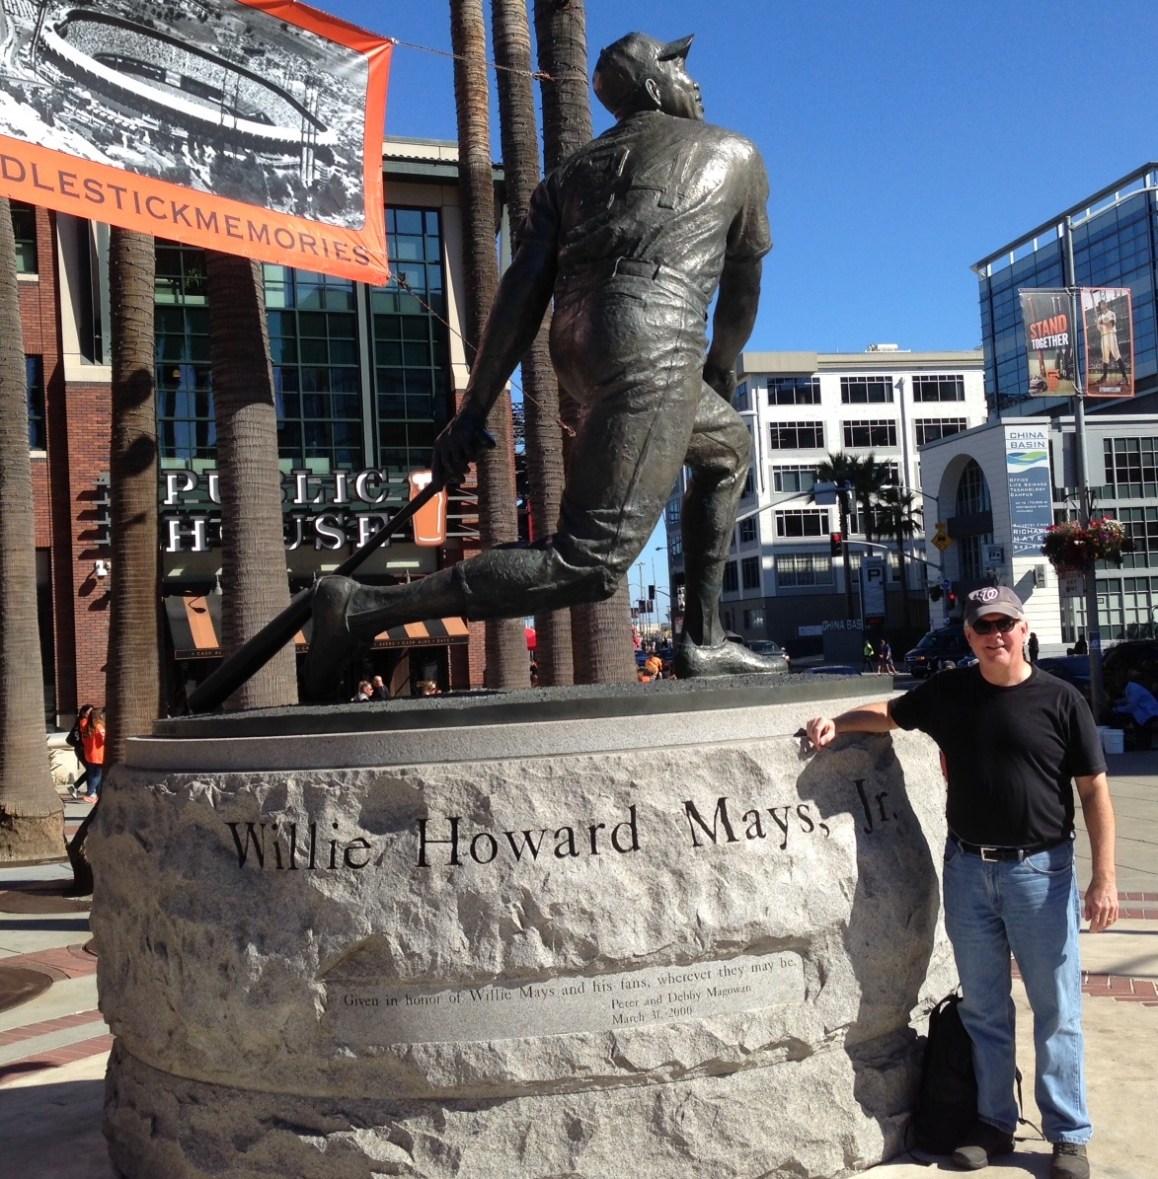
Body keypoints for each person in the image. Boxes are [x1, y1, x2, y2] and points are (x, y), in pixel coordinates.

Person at [303, 31, 775, 698]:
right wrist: (721, 368)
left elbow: (521, 295)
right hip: (656, 338)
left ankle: (704, 639)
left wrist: (473, 409)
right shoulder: (735, 152)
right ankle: (360, 609)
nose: (692, 79)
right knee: (591, 562)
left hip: (579, 342)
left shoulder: (571, 175)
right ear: (646, 82)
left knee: (728, 447)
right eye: (676, 65)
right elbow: (742, 291)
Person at [805, 586, 1116, 1179]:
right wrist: (835, 723)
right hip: (969, 872)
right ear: (969, 636)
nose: (995, 634)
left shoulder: (1062, 700)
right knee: (984, 1011)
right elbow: (889, 715)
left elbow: (1095, 790)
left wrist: (1103, 878)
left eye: (1005, 624)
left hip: (1041, 874)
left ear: (1024, 631)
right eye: (983, 627)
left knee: (1058, 1010)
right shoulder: (950, 692)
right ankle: (994, 1122)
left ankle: (1068, 1133)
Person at [66, 703, 94, 800]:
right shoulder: (84, 722)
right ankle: (77, 787)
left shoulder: (78, 721)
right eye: (89, 712)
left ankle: (89, 790)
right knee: (91, 770)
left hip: (79, 749)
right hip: (82, 749)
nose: (91, 713)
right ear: (83, 712)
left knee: (90, 770)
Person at [80, 708, 106, 804]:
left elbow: (83, 720)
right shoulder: (99, 727)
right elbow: (104, 740)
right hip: (99, 754)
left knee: (91, 774)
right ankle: (89, 793)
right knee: (98, 775)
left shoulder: (84, 724)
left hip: (89, 754)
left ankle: (98, 795)